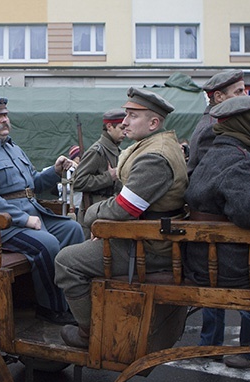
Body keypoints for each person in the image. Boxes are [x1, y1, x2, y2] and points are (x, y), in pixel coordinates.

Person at [55, 87, 187, 348]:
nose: (124, 122)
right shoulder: (154, 146)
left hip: (149, 246)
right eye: (126, 115)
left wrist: (92, 216)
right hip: (147, 237)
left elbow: (126, 207)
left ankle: (90, 334)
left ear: (153, 123)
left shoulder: (154, 156)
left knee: (66, 262)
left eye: (132, 116)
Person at [0, 97, 85, 325]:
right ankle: (50, 307)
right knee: (47, 243)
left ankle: (72, 300)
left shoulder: (12, 148)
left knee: (72, 229)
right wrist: (24, 219)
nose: (4, 119)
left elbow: (31, 184)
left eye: (5, 115)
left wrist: (54, 172)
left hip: (27, 214)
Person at [185, 95, 250, 369]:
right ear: (243, 123)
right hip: (228, 260)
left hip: (205, 255)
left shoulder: (221, 152)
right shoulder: (239, 159)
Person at [72, 108, 126, 236]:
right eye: (121, 128)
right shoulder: (97, 151)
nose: (125, 132)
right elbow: (78, 181)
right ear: (109, 127)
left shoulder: (117, 151)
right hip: (93, 213)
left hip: (108, 211)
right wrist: (109, 177)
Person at [187, 69, 245, 175]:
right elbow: (214, 174)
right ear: (219, 97)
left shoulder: (217, 122)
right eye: (239, 92)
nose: (245, 96)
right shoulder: (212, 128)